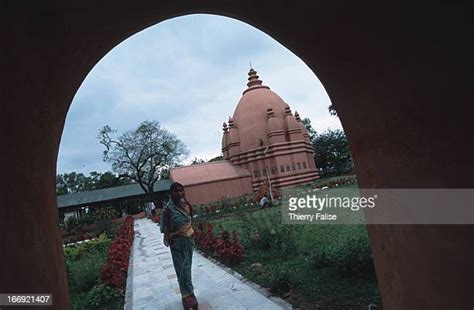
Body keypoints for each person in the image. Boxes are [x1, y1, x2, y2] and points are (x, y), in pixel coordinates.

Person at [160, 182, 198, 309]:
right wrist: (167, 238)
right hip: (176, 242)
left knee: (187, 267)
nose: (179, 193)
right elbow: (165, 227)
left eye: (181, 190)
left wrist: (192, 233)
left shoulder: (187, 205)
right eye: (176, 191)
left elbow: (190, 221)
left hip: (188, 241)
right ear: (171, 193)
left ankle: (189, 293)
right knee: (181, 269)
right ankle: (187, 295)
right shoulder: (167, 210)